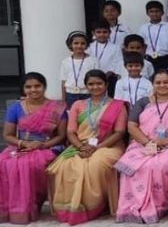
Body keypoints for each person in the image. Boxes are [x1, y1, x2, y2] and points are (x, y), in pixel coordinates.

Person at [114, 69, 168, 224]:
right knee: (130, 165)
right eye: (158, 82)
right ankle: (131, 208)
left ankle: (157, 207)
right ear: (152, 85)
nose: (162, 85)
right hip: (144, 142)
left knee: (160, 164)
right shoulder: (143, 102)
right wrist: (148, 143)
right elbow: (132, 126)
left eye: (166, 82)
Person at [47, 70, 127, 225]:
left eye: (99, 83)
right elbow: (71, 132)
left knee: (95, 165)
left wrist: (97, 148)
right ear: (86, 86)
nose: (95, 87)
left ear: (106, 85)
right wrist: (80, 146)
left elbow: (119, 132)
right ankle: (71, 207)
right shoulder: (78, 105)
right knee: (65, 165)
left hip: (109, 146)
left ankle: (96, 205)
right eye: (91, 84)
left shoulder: (118, 105)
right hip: (81, 145)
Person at [0, 73, 66, 224]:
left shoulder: (57, 108)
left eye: (37, 86)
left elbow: (61, 136)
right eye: (28, 87)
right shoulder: (16, 108)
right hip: (22, 146)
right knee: (4, 162)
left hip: (49, 146)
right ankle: (12, 209)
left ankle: (33, 203)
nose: (33, 90)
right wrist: (24, 144)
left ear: (44, 87)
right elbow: (8, 135)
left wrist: (43, 145)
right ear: (23, 89)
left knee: (29, 164)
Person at [60, 31, 100, 108]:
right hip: (70, 94)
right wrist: (63, 99)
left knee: (87, 114)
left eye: (82, 43)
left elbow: (97, 80)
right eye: (76, 43)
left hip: (87, 93)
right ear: (70, 45)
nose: (79, 46)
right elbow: (63, 82)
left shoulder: (93, 61)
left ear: (87, 45)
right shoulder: (65, 62)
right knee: (72, 113)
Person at [138, 0, 168, 71]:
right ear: (147, 13)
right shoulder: (143, 28)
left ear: (162, 12)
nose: (154, 14)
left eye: (157, 11)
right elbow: (141, 45)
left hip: (166, 58)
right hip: (148, 59)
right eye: (151, 11)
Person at [88, 19, 123, 95]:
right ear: (93, 33)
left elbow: (118, 62)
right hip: (91, 76)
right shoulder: (89, 47)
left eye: (105, 32)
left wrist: (110, 71)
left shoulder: (115, 47)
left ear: (109, 32)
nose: (102, 34)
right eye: (98, 32)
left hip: (108, 77)